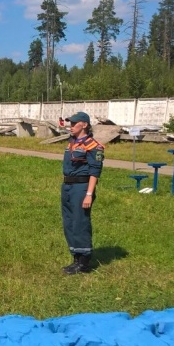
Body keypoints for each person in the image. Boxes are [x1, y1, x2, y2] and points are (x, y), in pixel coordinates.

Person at [61, 111, 105, 275]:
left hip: (82, 187)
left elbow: (95, 171)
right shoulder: (71, 142)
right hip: (67, 186)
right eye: (70, 124)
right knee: (69, 222)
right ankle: (75, 258)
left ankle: (84, 262)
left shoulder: (94, 146)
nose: (70, 127)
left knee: (80, 222)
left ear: (84, 125)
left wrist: (89, 194)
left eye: (74, 124)